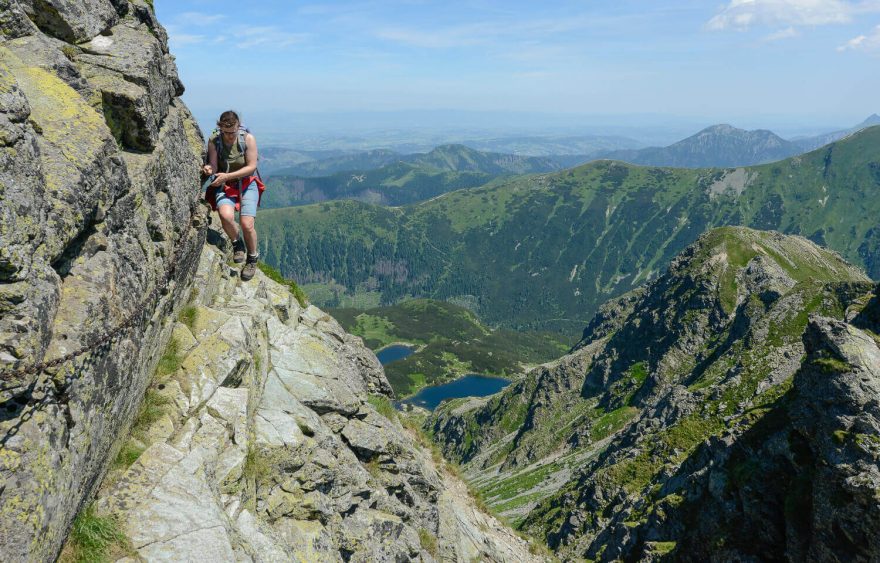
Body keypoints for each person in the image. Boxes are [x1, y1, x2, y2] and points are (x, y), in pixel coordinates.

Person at [202, 110, 265, 281]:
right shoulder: (215, 140)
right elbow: (214, 165)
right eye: (226, 132)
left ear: (238, 126)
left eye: (233, 132)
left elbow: (251, 166)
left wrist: (227, 176)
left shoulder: (247, 139)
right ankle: (238, 244)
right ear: (220, 128)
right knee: (225, 215)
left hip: (246, 183)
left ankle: (252, 259)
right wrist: (209, 169)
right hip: (226, 184)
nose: (229, 136)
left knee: (247, 224)